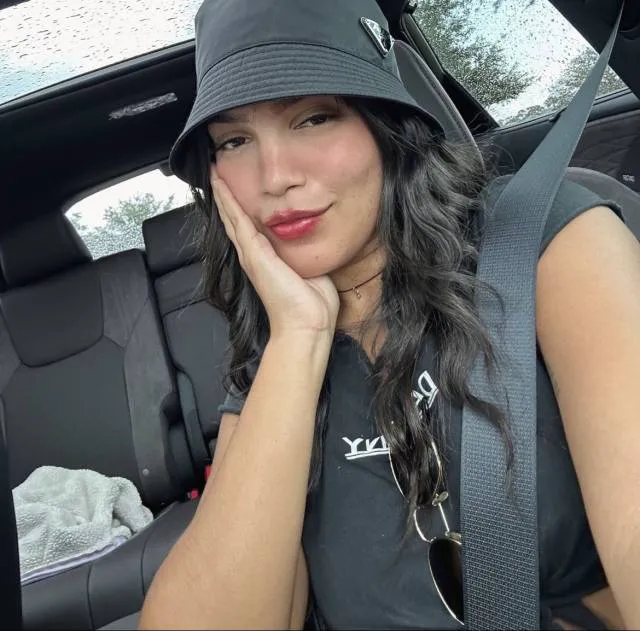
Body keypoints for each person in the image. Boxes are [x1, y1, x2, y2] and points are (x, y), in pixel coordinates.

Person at [139, 0, 640, 628]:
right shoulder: (269, 367)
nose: (275, 176)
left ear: (386, 126)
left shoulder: (542, 245)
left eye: (314, 117)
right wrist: (299, 337)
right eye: (234, 141)